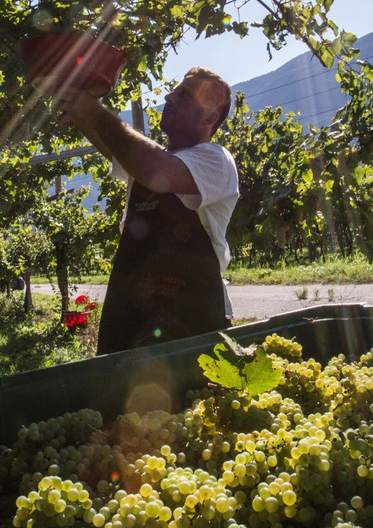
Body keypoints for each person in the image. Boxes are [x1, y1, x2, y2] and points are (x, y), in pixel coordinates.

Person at [55, 67, 238, 355]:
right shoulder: (143, 162)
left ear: (209, 117)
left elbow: (154, 170)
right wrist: (80, 105)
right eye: (175, 90)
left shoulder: (216, 161)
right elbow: (118, 146)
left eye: (185, 95)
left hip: (192, 325)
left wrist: (89, 109)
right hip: (130, 319)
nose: (170, 96)